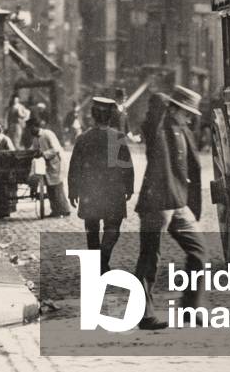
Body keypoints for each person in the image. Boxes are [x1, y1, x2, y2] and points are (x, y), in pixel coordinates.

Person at [133, 86, 207, 330]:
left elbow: (192, 169)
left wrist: (192, 204)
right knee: (149, 258)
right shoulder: (157, 129)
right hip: (157, 204)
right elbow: (155, 103)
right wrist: (168, 102)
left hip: (179, 204)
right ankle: (144, 314)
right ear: (172, 109)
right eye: (186, 112)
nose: (190, 117)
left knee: (198, 253)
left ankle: (190, 307)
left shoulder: (184, 131)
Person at [68, 98, 134, 274]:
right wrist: (129, 187)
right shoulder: (117, 137)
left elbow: (75, 166)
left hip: (91, 191)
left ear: (93, 116)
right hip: (114, 190)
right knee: (113, 228)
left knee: (92, 229)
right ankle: (102, 261)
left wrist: (73, 191)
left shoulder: (83, 138)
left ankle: (98, 265)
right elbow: (126, 165)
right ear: (110, 117)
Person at [28, 116, 70, 217]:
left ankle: (65, 210)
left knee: (57, 187)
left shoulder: (47, 134)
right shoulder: (36, 138)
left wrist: (43, 154)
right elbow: (33, 149)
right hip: (47, 165)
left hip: (56, 163)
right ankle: (55, 210)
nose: (30, 130)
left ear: (36, 126)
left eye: (31, 128)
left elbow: (55, 149)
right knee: (50, 188)